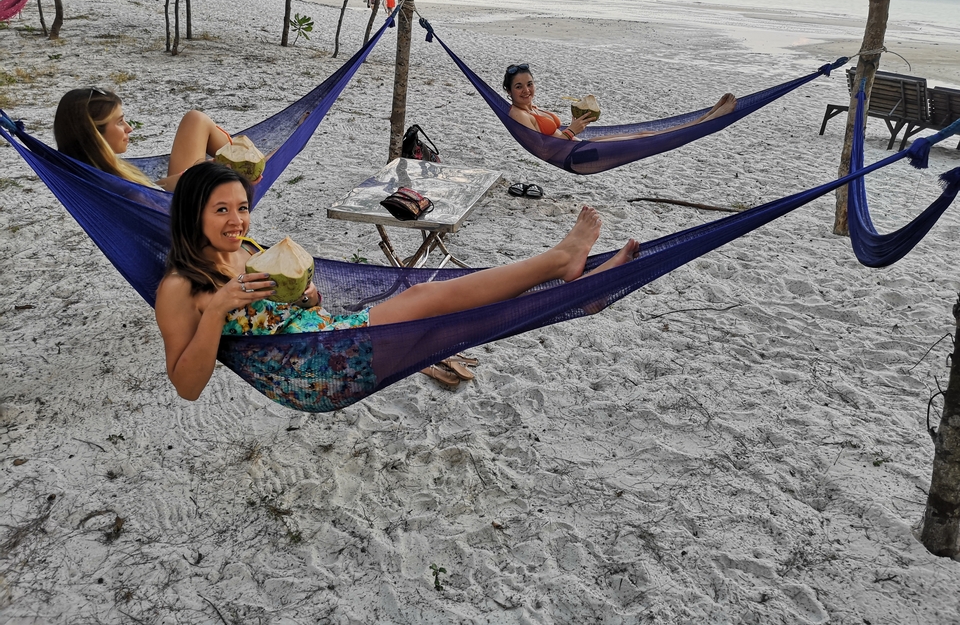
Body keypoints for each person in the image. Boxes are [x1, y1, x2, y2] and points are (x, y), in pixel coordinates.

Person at [154, 162, 641, 401]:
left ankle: (574, 291)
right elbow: (187, 386)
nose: (237, 220)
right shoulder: (180, 287)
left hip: (330, 335)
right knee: (432, 298)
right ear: (191, 213)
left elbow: (294, 308)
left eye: (241, 207)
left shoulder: (250, 252)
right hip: (314, 371)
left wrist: (307, 295)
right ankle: (563, 268)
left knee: (441, 315)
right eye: (222, 210)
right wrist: (217, 310)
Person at [54, 88, 236, 192]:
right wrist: (199, 178)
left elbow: (151, 192)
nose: (129, 128)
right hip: (193, 214)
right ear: (93, 135)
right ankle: (247, 164)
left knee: (195, 120)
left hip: (175, 197)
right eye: (119, 122)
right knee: (197, 120)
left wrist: (190, 175)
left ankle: (245, 160)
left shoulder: (97, 176)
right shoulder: (115, 185)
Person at [503, 63, 737, 142]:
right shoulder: (518, 114)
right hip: (575, 151)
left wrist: (574, 127)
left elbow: (552, 133)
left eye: (529, 84)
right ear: (509, 91)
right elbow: (543, 146)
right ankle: (708, 119)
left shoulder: (532, 107)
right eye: (519, 86)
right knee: (646, 137)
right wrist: (571, 131)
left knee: (645, 132)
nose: (527, 90)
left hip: (577, 142)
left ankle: (705, 117)